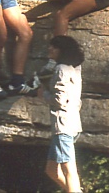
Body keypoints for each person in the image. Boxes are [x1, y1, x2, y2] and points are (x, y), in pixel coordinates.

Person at [40, 35, 84, 193]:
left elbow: (59, 100)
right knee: (51, 169)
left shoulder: (60, 69)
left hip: (63, 127)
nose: (50, 49)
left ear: (62, 51)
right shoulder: (75, 69)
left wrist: (43, 94)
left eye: (55, 47)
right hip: (72, 124)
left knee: (69, 169)